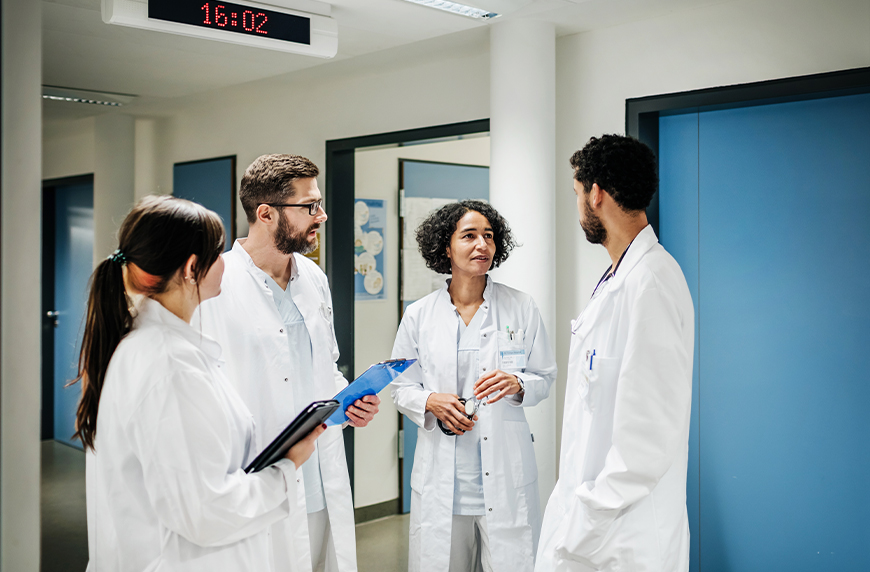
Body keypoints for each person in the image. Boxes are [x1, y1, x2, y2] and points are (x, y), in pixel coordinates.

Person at [76, 195, 325, 571]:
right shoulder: (170, 365)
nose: (225, 261)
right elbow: (205, 513)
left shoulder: (154, 347)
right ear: (193, 268)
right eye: (217, 253)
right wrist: (286, 468)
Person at [197, 154, 379, 572]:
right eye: (310, 206)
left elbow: (323, 367)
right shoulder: (216, 281)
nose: (323, 215)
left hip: (318, 474)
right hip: (255, 477)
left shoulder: (314, 278)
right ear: (265, 214)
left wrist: (349, 401)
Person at [536, 135, 694, 572]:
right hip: (597, 524)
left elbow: (647, 436)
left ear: (596, 193)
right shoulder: (617, 278)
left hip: (623, 535)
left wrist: (584, 521)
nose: (579, 210)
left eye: (577, 195)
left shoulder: (651, 282)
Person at [391, 200, 557, 572]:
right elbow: (400, 387)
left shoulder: (521, 307)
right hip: (443, 483)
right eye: (469, 236)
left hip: (505, 475)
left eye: (489, 236)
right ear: (445, 247)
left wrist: (517, 383)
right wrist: (430, 400)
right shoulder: (419, 315)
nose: (482, 245)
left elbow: (545, 377)